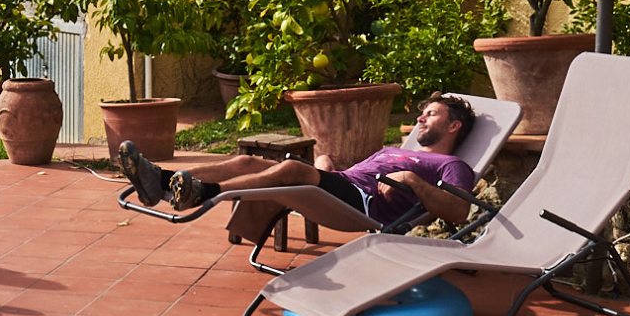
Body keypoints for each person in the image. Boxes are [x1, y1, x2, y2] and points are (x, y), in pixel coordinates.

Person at [120, 92, 479, 231]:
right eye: (422, 114)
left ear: (454, 126)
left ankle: (204, 193)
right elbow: (349, 178)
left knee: (292, 170)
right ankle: (159, 180)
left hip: (364, 207)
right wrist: (326, 168)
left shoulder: (451, 165)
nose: (420, 118)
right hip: (343, 187)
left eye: (431, 114)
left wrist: (412, 180)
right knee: (246, 162)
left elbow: (460, 212)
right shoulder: (395, 149)